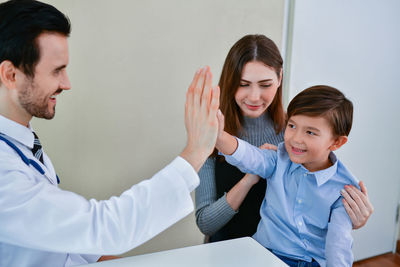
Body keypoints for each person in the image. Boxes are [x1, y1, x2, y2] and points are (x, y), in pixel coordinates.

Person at [0, 1, 220, 266]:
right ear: (11, 75)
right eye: (57, 70)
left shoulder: (21, 141)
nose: (66, 84)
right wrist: (194, 153)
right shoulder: (4, 174)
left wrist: (108, 258)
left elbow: (61, 232)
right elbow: (98, 225)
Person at [195, 34, 373, 242]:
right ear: (230, 82)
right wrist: (249, 178)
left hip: (279, 257)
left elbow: (317, 203)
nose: (254, 96)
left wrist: (351, 217)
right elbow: (205, 223)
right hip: (224, 251)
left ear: (280, 78)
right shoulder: (213, 135)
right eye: (243, 84)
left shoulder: (296, 135)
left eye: (265, 84)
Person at [216, 85, 358, 266]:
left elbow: (338, 246)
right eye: (292, 126)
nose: (295, 138)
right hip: (263, 253)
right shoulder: (279, 159)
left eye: (310, 132)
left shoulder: (345, 189)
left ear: (337, 142)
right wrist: (219, 136)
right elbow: (248, 155)